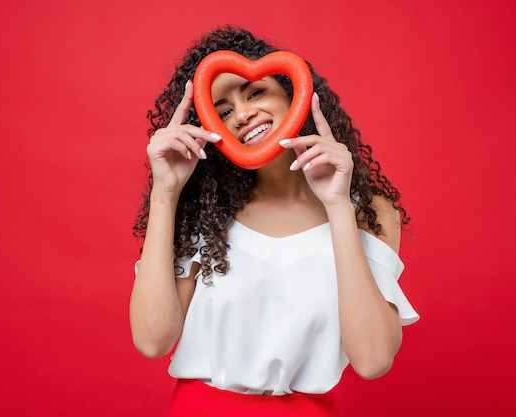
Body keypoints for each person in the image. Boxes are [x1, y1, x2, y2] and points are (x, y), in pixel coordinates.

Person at [129, 25, 419, 417]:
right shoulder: (206, 212)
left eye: (256, 92)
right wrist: (165, 194)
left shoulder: (369, 212)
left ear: (294, 93)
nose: (243, 115)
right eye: (224, 110)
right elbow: (152, 341)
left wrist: (336, 206)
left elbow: (373, 360)